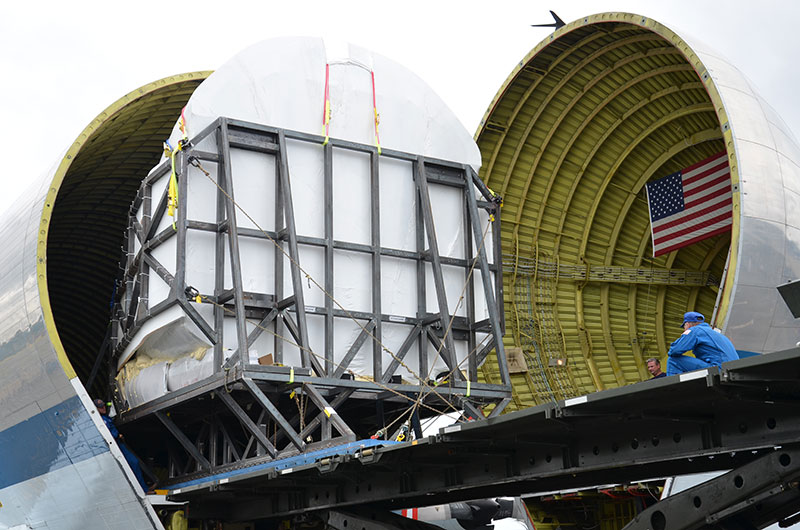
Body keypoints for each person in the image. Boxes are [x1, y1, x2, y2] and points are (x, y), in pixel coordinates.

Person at [94, 398, 148, 491]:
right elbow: (109, 434)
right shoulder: (102, 420)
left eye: (103, 405)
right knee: (133, 463)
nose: (103, 407)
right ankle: (142, 490)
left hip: (119, 444)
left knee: (133, 463)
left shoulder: (106, 417)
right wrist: (117, 435)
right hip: (116, 446)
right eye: (100, 407)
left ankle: (143, 488)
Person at [666, 312, 739, 376]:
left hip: (719, 369)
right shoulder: (716, 333)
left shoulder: (694, 330)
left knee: (673, 360)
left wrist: (682, 339)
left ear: (687, 325)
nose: (684, 329)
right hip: (733, 371)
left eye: (684, 327)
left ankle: (673, 390)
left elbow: (674, 351)